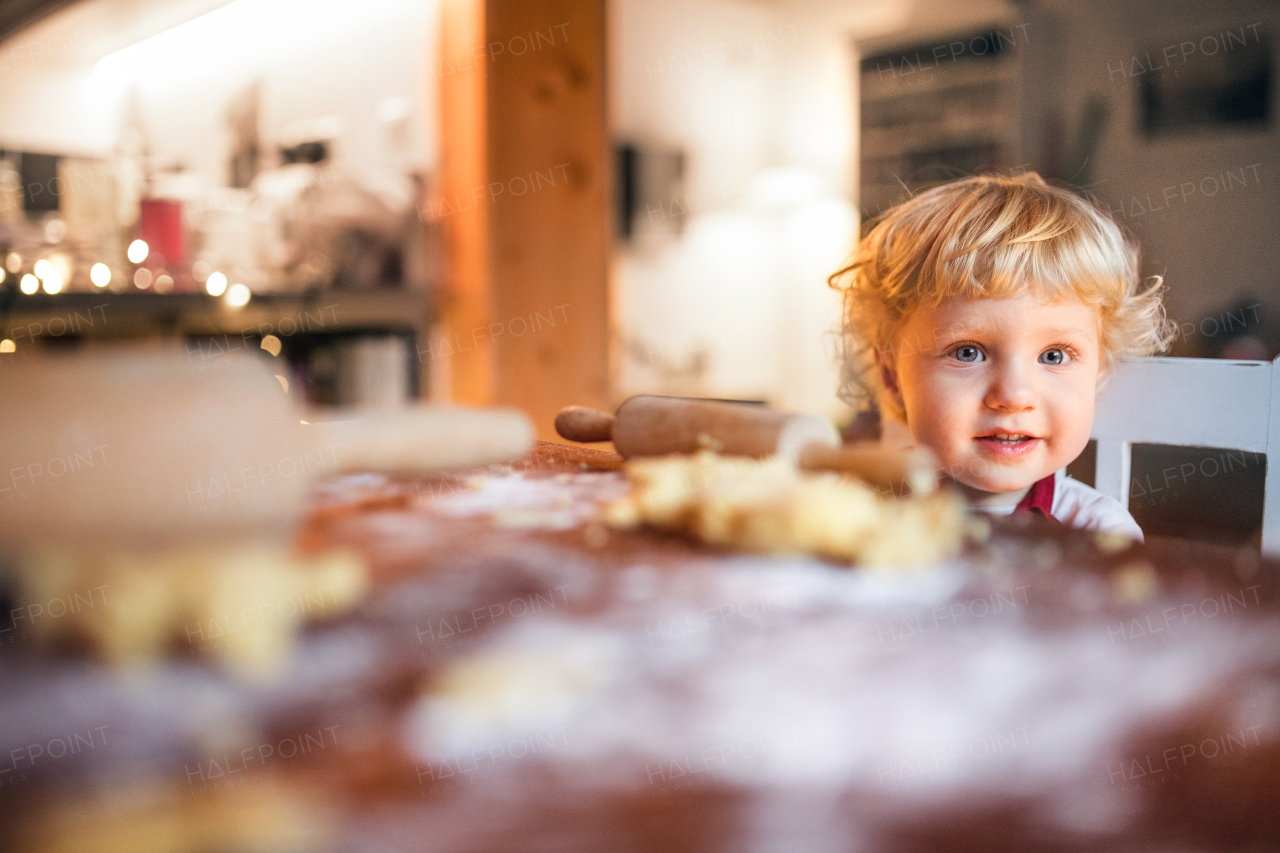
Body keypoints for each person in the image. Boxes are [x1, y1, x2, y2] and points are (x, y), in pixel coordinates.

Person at [829, 172, 1176, 539]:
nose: (1013, 396)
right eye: (967, 353)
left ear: (1098, 372)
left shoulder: (1099, 533)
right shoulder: (858, 516)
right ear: (891, 375)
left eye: (1054, 356)